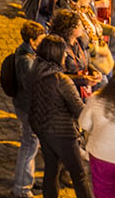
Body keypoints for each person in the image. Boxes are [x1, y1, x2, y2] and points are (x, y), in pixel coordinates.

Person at [27, 36, 91, 198]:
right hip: (63, 132)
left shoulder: (35, 72)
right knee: (79, 175)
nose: (65, 56)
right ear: (57, 55)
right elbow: (79, 110)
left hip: (42, 128)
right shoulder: (62, 81)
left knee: (51, 169)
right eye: (63, 53)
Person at [3, 22, 45, 198]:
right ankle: (21, 187)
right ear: (32, 40)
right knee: (29, 145)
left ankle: (27, 180)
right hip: (28, 108)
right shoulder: (25, 60)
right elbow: (32, 86)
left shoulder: (28, 53)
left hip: (26, 106)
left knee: (31, 144)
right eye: (41, 39)